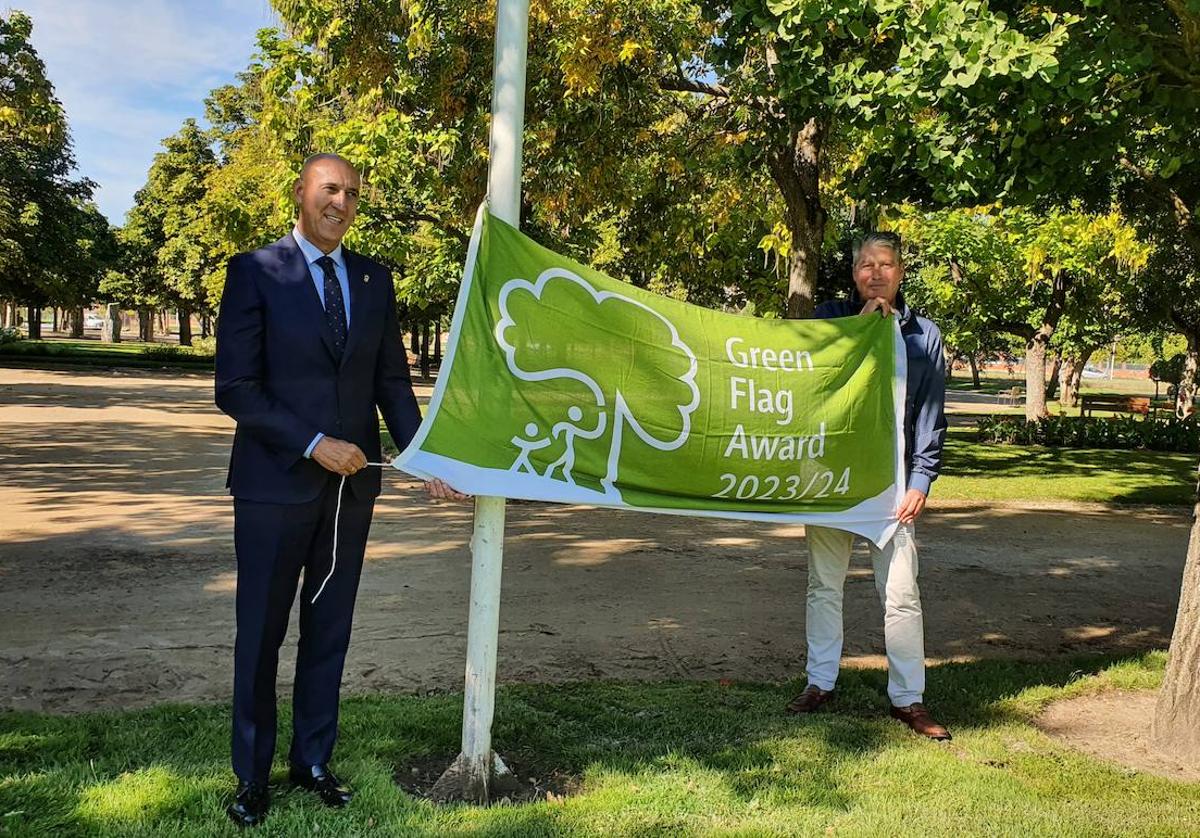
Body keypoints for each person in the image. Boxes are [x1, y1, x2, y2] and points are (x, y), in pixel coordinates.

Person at [215, 153, 464, 827]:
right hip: (273, 488)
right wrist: (312, 443)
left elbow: (390, 384)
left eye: (352, 194)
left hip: (350, 498)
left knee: (330, 631)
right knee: (260, 636)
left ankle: (314, 760)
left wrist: (427, 459)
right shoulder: (255, 271)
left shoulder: (373, 278)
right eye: (330, 189)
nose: (341, 202)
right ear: (301, 192)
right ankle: (252, 776)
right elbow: (235, 388)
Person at [786, 231, 951, 741]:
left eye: (886, 264)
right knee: (824, 586)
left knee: (901, 592)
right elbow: (806, 377)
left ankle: (908, 698)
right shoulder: (829, 320)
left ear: (901, 272)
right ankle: (820, 683)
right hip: (832, 478)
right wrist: (854, 335)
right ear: (854, 273)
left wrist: (922, 477)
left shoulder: (925, 336)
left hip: (892, 485)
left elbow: (930, 413)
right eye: (865, 265)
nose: (876, 273)